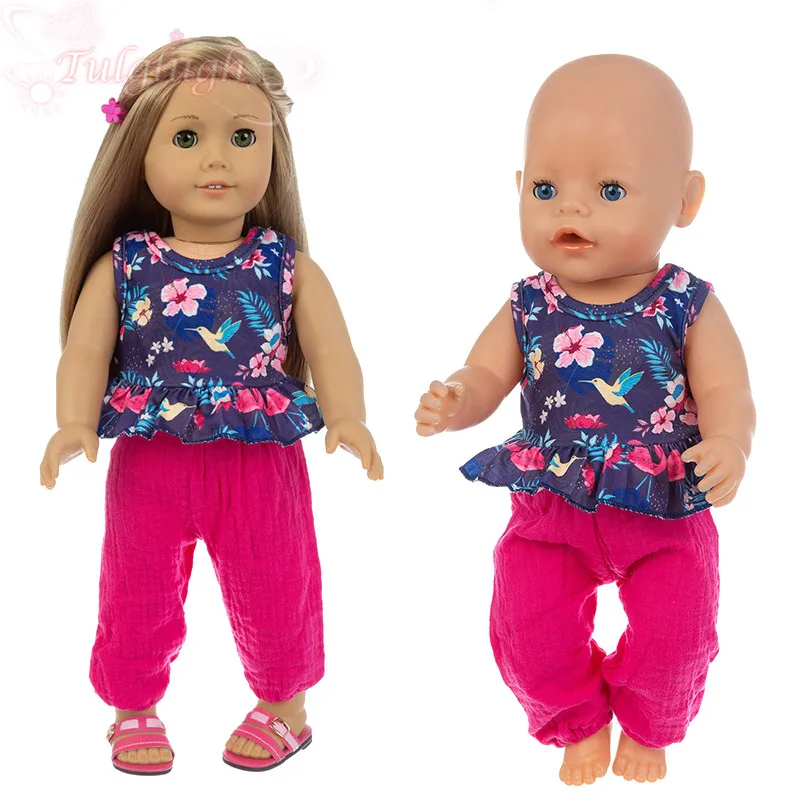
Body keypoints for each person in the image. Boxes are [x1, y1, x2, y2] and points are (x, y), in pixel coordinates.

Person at [40, 35, 383, 775]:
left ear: (274, 149)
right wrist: (73, 422)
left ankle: (287, 707)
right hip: (150, 459)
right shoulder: (127, 264)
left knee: (277, 581)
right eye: (188, 138)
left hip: (259, 462)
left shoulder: (283, 264)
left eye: (243, 138)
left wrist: (348, 416)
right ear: (139, 152)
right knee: (134, 585)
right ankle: (132, 706)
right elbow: (86, 350)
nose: (216, 160)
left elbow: (333, 349)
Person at [415, 54, 755, 785]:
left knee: (678, 636)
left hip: (664, 508)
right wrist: (459, 399)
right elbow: (487, 374)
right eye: (545, 188)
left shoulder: (686, 303)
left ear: (685, 200)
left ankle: (651, 722)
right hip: (551, 509)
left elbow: (728, 386)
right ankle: (577, 717)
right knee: (526, 632)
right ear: (518, 187)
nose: (571, 209)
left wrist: (729, 440)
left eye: (609, 190)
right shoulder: (528, 303)